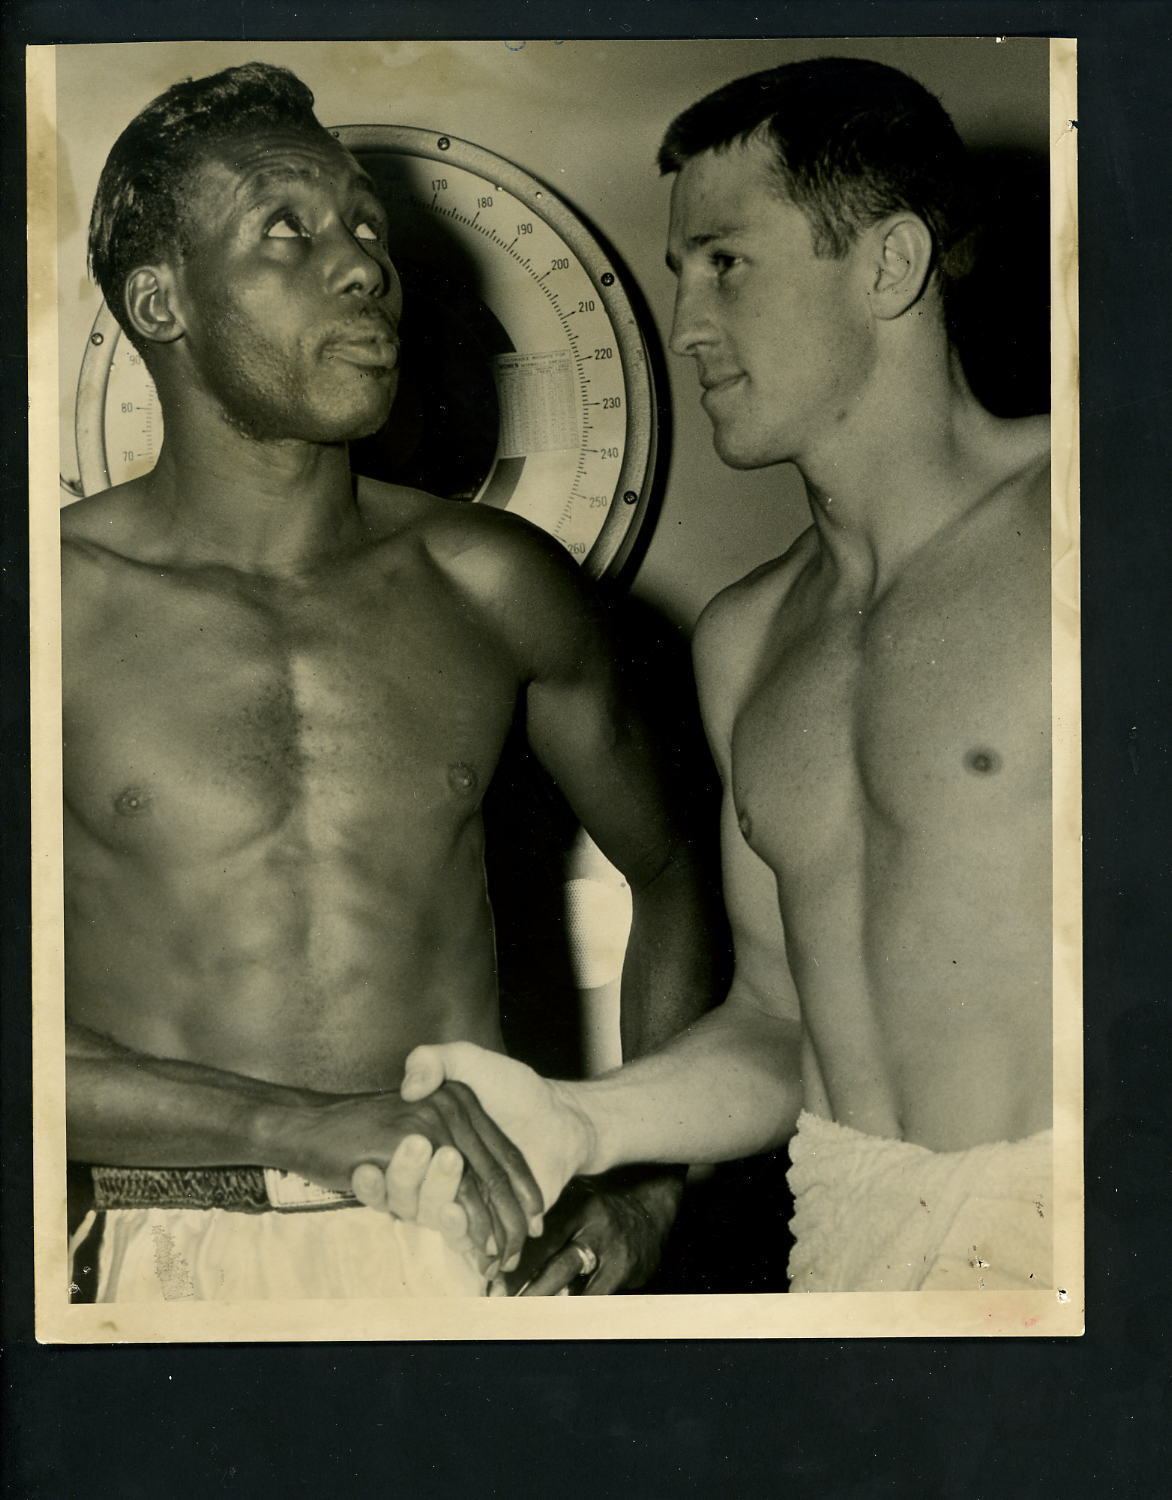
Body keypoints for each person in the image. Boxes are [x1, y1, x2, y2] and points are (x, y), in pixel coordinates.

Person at [374, 57, 1055, 1293]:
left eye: (726, 263)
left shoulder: (1093, 526)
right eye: (681, 271)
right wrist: (584, 1123)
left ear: (889, 266)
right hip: (849, 1254)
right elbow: (778, 1025)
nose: (685, 322)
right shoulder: (747, 637)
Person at [62, 62, 718, 1303]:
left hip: (472, 1246)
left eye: (365, 224)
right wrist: (292, 1125)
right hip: (170, 1257)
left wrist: (646, 1176)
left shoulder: (494, 583)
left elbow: (677, 870)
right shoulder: (51, 611)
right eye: (284, 231)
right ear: (163, 301)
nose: (362, 264)